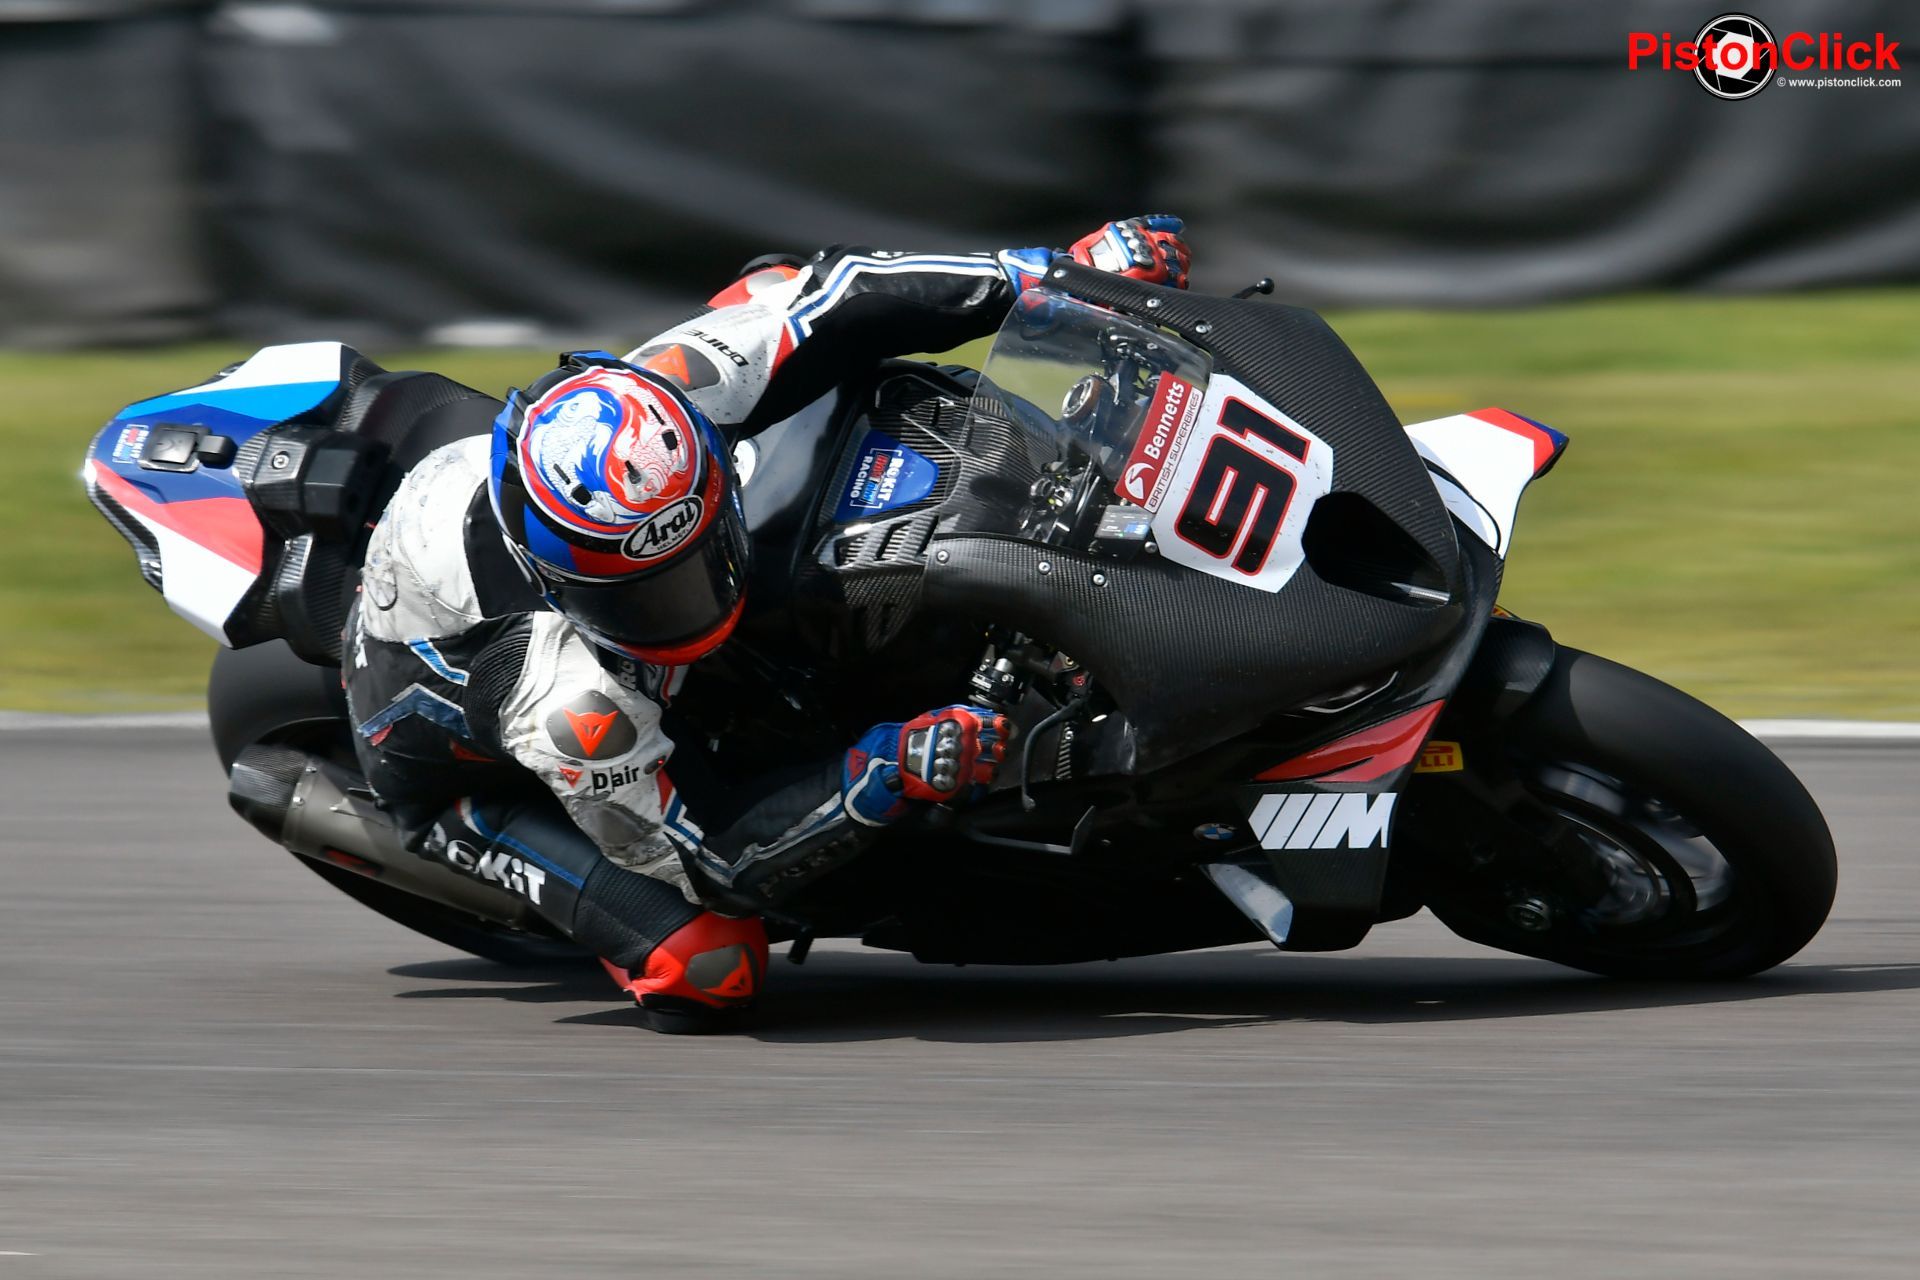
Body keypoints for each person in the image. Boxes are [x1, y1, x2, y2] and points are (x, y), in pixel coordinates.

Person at [344, 216, 1192, 1031]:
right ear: (562, 583)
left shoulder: (667, 393)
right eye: (650, 594)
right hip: (451, 763)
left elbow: (849, 293)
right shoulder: (562, 698)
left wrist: (1061, 272)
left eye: (698, 557)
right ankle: (507, 855)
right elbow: (709, 858)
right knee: (708, 965)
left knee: (771, 287)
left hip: (499, 514)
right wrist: (875, 773)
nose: (692, 600)